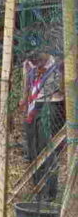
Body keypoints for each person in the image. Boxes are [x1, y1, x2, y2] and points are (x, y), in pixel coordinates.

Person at [21, 45, 65, 201]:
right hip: (32, 109)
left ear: (47, 51)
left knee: (47, 150)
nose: (35, 62)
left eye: (38, 58)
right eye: (33, 59)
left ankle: (49, 193)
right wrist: (24, 101)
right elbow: (27, 88)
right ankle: (37, 189)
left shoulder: (60, 65)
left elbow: (63, 90)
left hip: (51, 106)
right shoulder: (30, 65)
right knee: (33, 151)